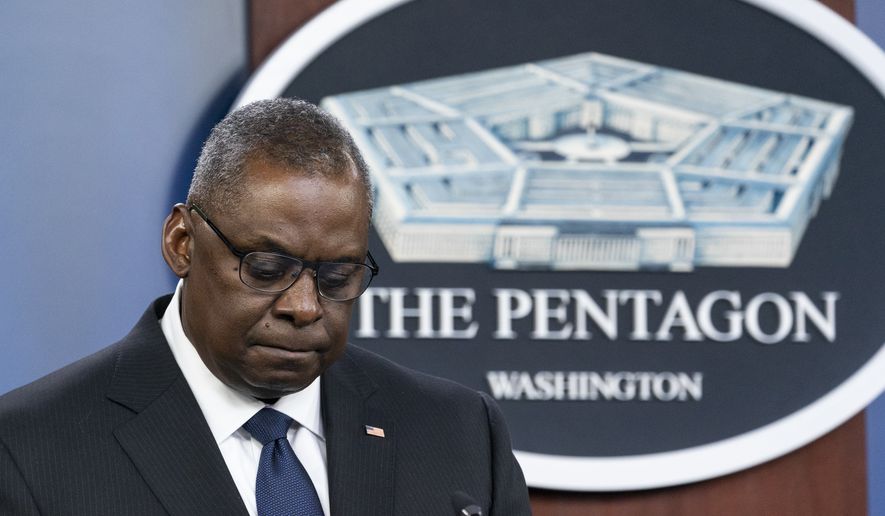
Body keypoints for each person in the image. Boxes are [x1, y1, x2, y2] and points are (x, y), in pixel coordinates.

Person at [0, 99, 531, 516]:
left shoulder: (460, 433)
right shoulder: (26, 449)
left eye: (337, 276)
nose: (304, 308)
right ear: (182, 243)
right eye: (267, 269)